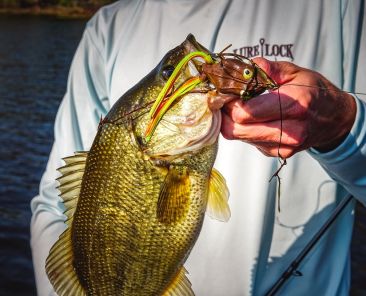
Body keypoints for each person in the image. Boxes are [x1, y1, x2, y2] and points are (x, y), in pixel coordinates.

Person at [31, 0, 366, 295]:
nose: (188, 66)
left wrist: (343, 122)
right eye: (169, 74)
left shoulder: (342, 7)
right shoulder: (109, 27)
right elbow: (55, 204)